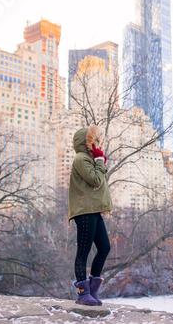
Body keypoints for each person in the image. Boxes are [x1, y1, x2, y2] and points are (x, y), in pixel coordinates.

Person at [68, 125, 113, 306]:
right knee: (83, 252)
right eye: (92, 141)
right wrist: (100, 160)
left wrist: (99, 160)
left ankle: (93, 290)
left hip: (93, 209)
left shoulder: (89, 158)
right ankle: (82, 292)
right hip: (85, 210)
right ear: (85, 142)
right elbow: (95, 179)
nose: (96, 143)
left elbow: (99, 180)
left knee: (104, 248)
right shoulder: (81, 158)